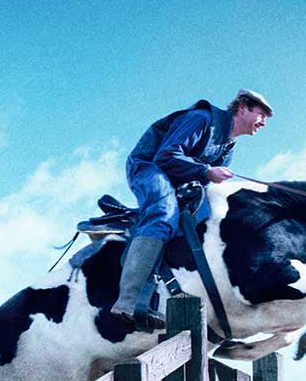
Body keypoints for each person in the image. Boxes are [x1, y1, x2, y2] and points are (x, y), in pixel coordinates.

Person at [111, 89, 273, 330]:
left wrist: (205, 179)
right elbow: (166, 156)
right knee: (164, 212)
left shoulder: (228, 147)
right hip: (148, 166)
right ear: (242, 107)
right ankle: (128, 300)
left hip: (177, 178)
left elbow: (203, 183)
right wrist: (206, 171)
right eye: (261, 114)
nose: (263, 123)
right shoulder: (201, 118)